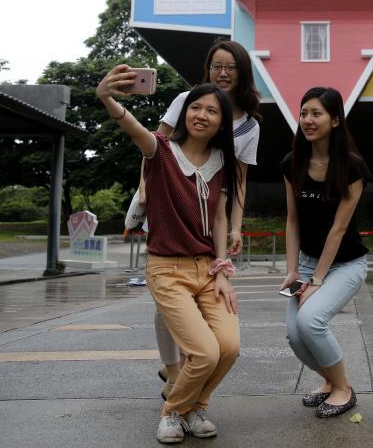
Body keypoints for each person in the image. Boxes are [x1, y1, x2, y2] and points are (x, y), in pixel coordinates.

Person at [98, 68, 241, 443]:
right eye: (196, 107)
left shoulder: (223, 164)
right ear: (184, 112)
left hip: (208, 269)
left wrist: (223, 270)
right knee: (205, 353)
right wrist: (108, 98)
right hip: (167, 269)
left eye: (212, 110)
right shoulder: (160, 151)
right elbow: (134, 129)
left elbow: (221, 218)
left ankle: (195, 407)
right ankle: (173, 412)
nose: (202, 115)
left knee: (229, 347)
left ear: (222, 122)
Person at [152, 39, 262, 400]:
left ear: (243, 72)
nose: (223, 72)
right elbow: (156, 147)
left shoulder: (249, 126)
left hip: (210, 212)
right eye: (217, 66)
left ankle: (191, 369)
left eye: (231, 66)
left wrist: (235, 225)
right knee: (167, 297)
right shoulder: (187, 100)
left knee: (203, 294)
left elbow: (238, 181)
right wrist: (142, 198)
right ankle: (173, 373)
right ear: (208, 69)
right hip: (168, 206)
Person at [279, 87, 372, 418]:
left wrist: (316, 280)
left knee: (311, 321)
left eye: (316, 113)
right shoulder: (293, 163)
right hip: (305, 263)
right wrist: (293, 271)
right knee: (294, 334)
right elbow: (292, 221)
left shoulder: (351, 167)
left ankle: (344, 389)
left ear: (335, 120)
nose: (307, 120)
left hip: (346, 265)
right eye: (304, 113)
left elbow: (339, 229)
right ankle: (330, 382)